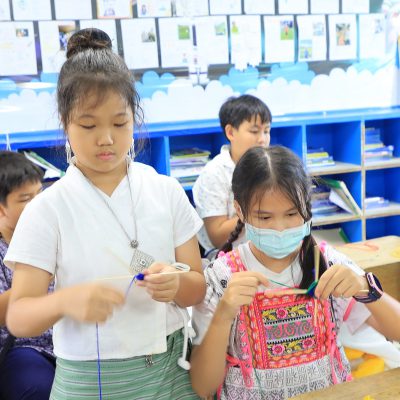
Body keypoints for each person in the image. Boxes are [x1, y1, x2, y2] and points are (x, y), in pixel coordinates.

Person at [5, 28, 205, 400]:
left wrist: (177, 284)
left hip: (170, 374)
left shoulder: (165, 190)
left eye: (119, 123)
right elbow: (18, 317)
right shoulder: (48, 209)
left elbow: (197, 287)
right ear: (65, 122)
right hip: (89, 381)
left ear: (134, 118)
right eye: (88, 125)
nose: (106, 139)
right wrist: (64, 301)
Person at [190, 146, 400, 400]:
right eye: (265, 218)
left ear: (307, 207)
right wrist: (223, 315)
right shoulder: (221, 278)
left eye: (291, 214)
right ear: (240, 211)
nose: (280, 228)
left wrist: (365, 287)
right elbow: (203, 386)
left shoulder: (327, 264)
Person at [0, 151, 55, 400]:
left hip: (74, 340)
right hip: (24, 347)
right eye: (25, 199)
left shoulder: (56, 235)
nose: (37, 204)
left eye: (39, 194)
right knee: (37, 387)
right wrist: (34, 282)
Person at [192, 94, 272, 258]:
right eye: (254, 131)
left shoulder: (271, 165)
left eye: (266, 131)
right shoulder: (214, 173)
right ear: (230, 132)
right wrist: (258, 210)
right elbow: (218, 238)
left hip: (265, 251)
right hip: (226, 257)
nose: (262, 139)